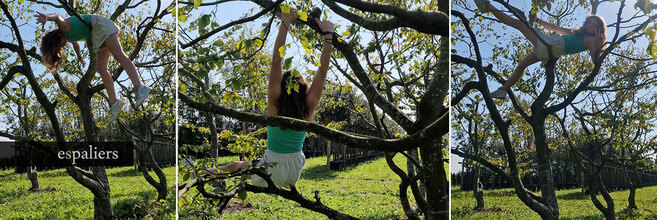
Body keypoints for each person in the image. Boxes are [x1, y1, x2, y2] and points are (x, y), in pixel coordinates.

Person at [201, 8, 334, 188]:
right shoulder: (308, 106)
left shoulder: (275, 102)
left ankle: (206, 174)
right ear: (303, 88)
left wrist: (286, 22)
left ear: (282, 86)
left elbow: (276, 61)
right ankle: (214, 177)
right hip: (294, 170)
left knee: (235, 166)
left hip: (271, 167)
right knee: (240, 165)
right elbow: (322, 71)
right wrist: (328, 34)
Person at [474, 0, 606, 99]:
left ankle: (487, 7)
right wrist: (539, 21)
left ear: (599, 30)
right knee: (521, 66)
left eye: (594, 25)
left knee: (519, 24)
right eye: (588, 22)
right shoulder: (578, 33)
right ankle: (503, 90)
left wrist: (599, 43)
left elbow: (595, 61)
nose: (589, 26)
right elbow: (557, 29)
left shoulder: (592, 40)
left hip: (553, 46)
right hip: (551, 48)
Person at [36, 12, 151, 121]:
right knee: (100, 68)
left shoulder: (64, 27)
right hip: (97, 33)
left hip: (100, 26)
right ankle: (114, 103)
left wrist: (46, 16)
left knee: (118, 55)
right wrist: (80, 57)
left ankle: (140, 87)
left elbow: (56, 17)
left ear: (55, 38)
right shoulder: (68, 36)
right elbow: (76, 46)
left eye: (58, 45)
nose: (61, 46)